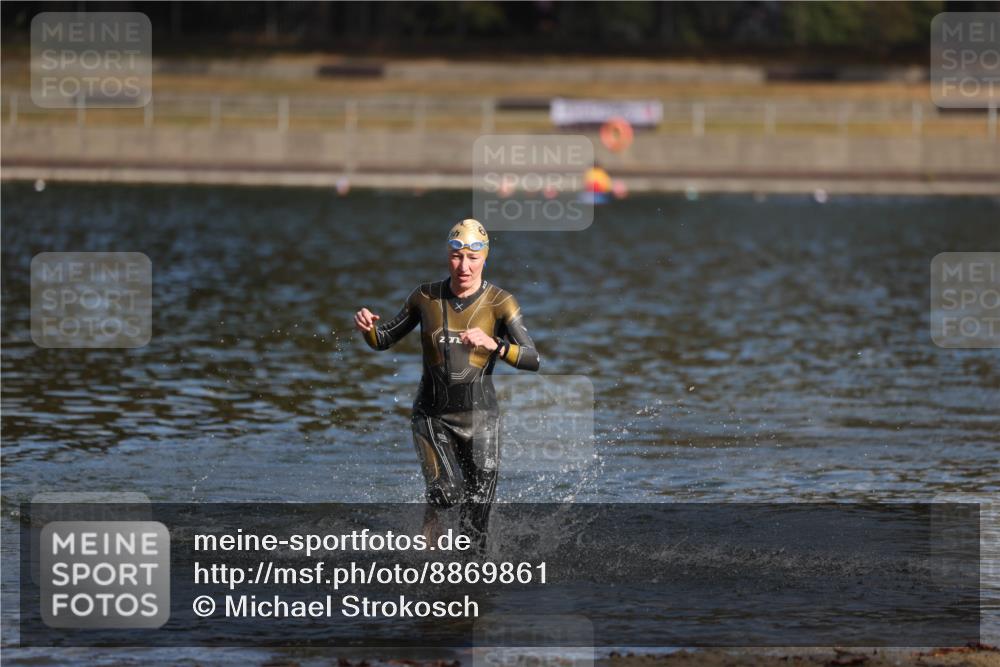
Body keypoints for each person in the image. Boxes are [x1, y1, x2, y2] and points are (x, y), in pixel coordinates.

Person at [354, 219, 540, 546]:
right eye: (456, 257)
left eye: (472, 257)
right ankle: (433, 511)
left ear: (485, 258)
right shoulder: (425, 297)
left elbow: (532, 359)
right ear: (447, 256)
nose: (464, 266)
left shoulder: (501, 302)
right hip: (432, 416)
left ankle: (470, 592)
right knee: (447, 492)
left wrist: (494, 344)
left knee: (475, 534)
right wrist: (369, 328)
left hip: (482, 421)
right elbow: (383, 340)